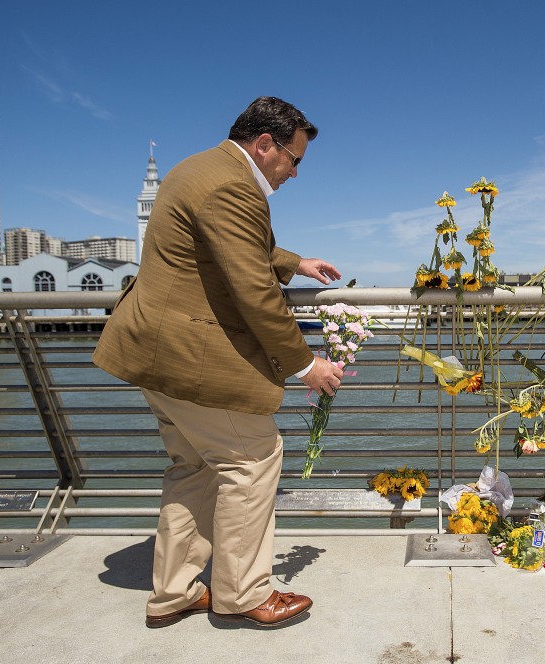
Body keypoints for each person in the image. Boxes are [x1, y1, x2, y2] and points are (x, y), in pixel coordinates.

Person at [92, 96, 344, 628]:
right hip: (188, 356)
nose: (296, 172)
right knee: (253, 457)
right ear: (264, 144)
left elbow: (229, 247)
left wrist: (294, 262)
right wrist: (305, 367)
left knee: (193, 468)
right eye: (294, 159)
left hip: (154, 352)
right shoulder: (234, 186)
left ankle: (175, 593)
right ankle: (244, 594)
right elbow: (253, 289)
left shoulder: (200, 168)